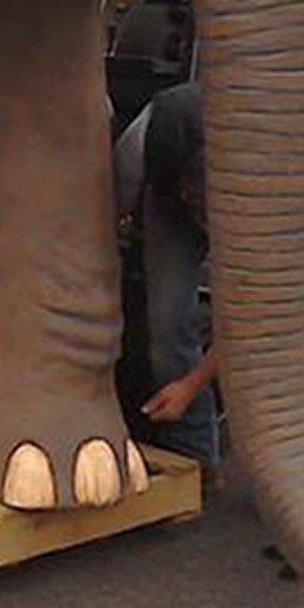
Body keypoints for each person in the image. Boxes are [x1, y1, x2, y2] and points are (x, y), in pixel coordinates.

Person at [111, 81, 224, 474]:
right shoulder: (140, 148)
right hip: (165, 193)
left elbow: (253, 320)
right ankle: (185, 452)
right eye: (191, 199)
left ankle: (200, 465)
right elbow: (107, 223)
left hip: (242, 208)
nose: (197, 212)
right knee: (168, 324)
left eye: (202, 207)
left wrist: (188, 388)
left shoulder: (260, 193)